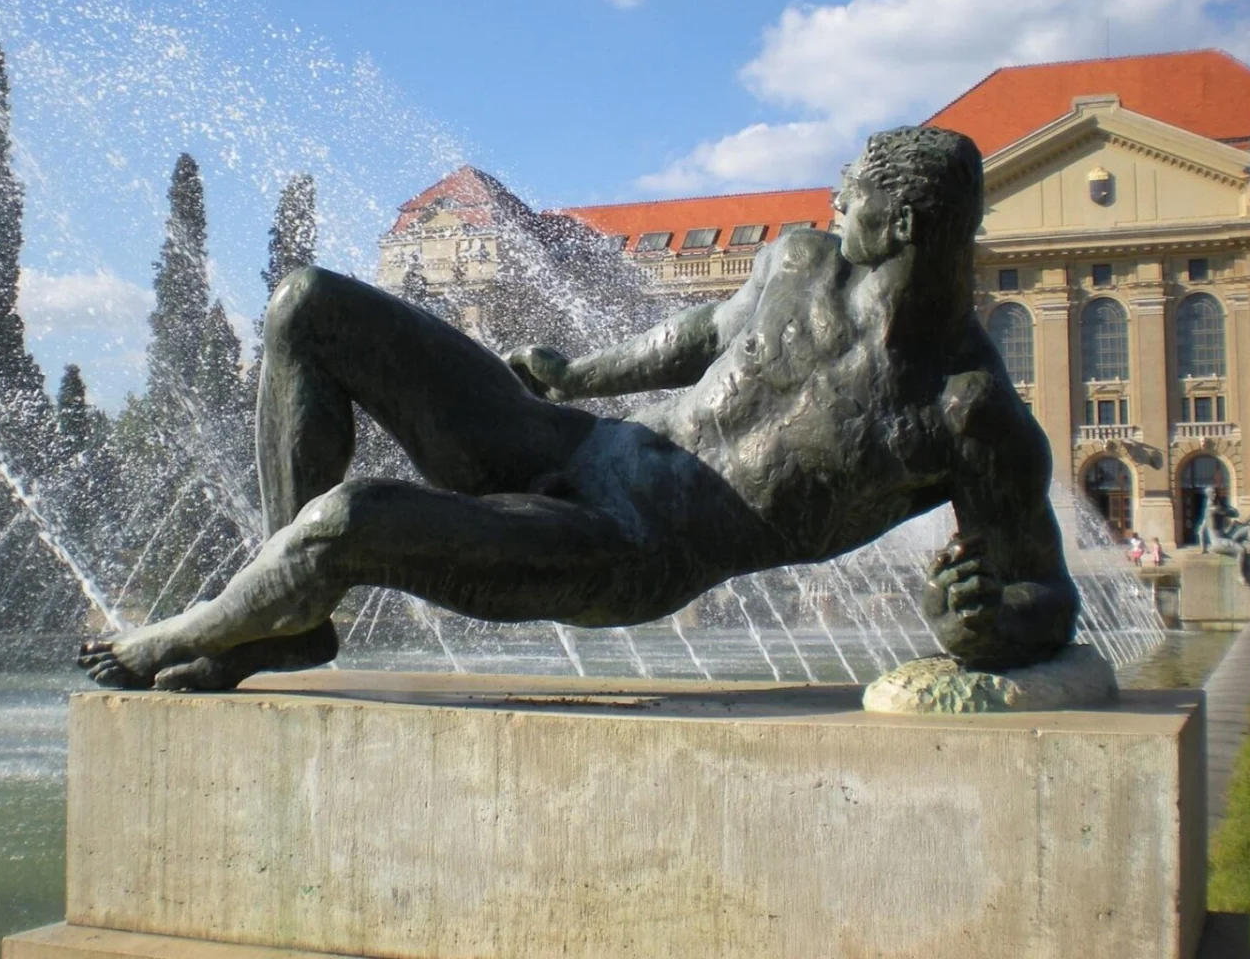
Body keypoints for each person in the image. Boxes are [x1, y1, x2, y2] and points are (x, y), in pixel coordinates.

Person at [81, 127, 1079, 691]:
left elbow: (1044, 594)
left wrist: (985, 623)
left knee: (349, 521)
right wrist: (573, 379)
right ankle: (285, 625)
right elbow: (696, 336)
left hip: (627, 546)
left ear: (897, 223)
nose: (828, 209)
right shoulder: (797, 265)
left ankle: (187, 633)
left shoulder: (967, 415)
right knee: (307, 306)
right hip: (573, 440)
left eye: (847, 198)